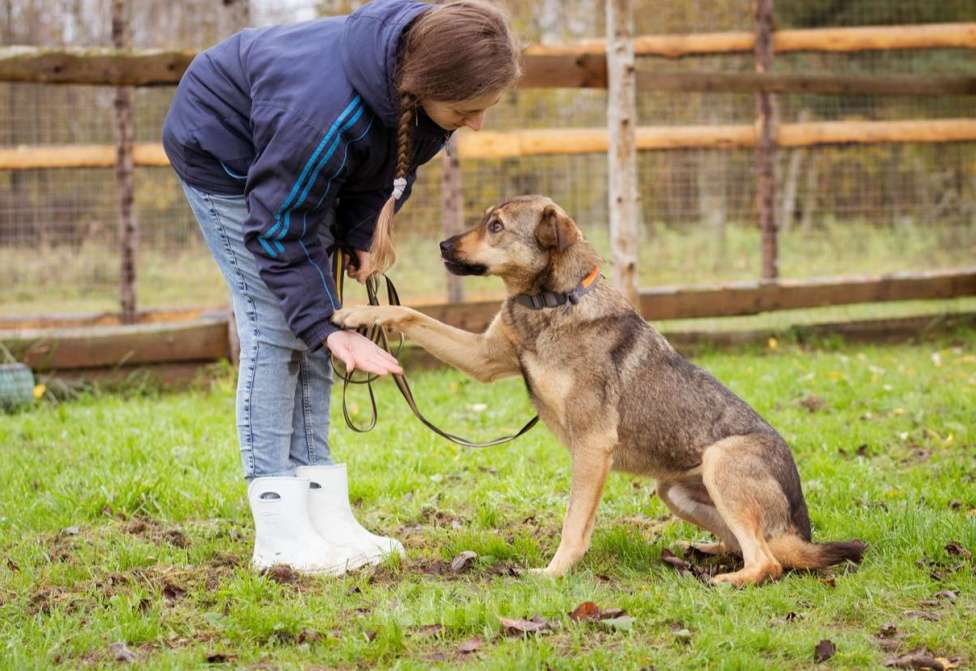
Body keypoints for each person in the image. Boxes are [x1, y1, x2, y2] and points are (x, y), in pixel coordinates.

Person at [162, 0, 520, 574]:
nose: (476, 123)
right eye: (466, 109)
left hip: (292, 164)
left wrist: (359, 232)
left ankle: (324, 513)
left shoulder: (424, 97)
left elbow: (383, 163)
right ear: (423, 86)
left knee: (323, 326)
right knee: (279, 329)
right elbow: (280, 228)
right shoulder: (323, 115)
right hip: (227, 153)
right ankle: (279, 531)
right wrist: (320, 326)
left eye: (485, 109)